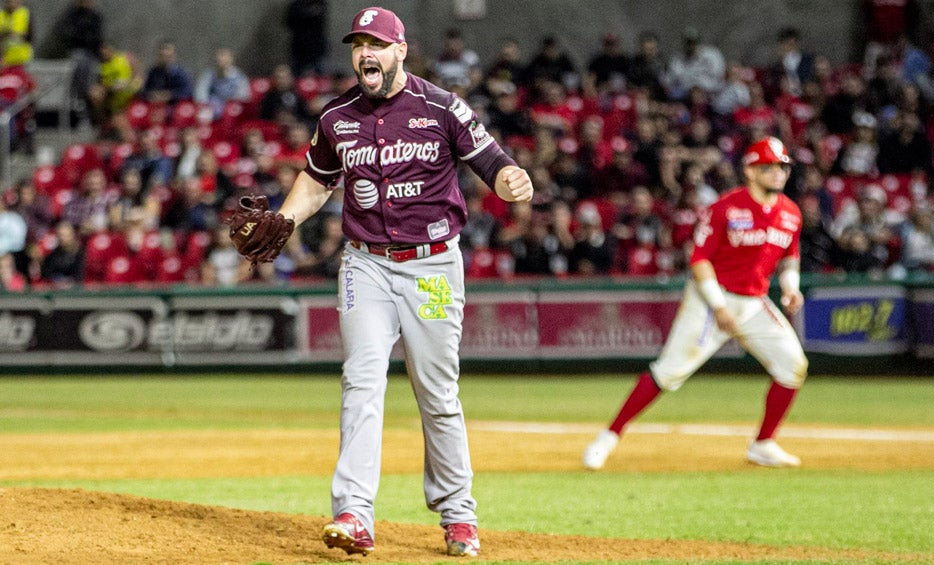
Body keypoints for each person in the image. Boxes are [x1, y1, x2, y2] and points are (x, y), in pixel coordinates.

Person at [260, 7, 533, 557]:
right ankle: (353, 514)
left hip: (432, 265)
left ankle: (459, 515)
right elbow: (315, 182)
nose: (366, 53)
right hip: (366, 265)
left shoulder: (440, 107)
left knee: (437, 393)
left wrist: (511, 181)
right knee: (361, 381)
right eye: (359, 44)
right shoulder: (337, 117)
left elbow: (494, 163)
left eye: (377, 44)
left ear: (400, 50)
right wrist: (285, 219)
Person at [583, 136, 808, 470]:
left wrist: (791, 287)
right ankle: (608, 437)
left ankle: (763, 444)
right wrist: (718, 307)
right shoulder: (726, 207)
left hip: (753, 301)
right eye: (768, 166)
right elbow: (700, 260)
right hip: (710, 298)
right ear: (749, 170)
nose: (777, 173)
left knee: (793, 366)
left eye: (782, 166)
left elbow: (790, 258)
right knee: (668, 373)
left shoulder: (790, 212)